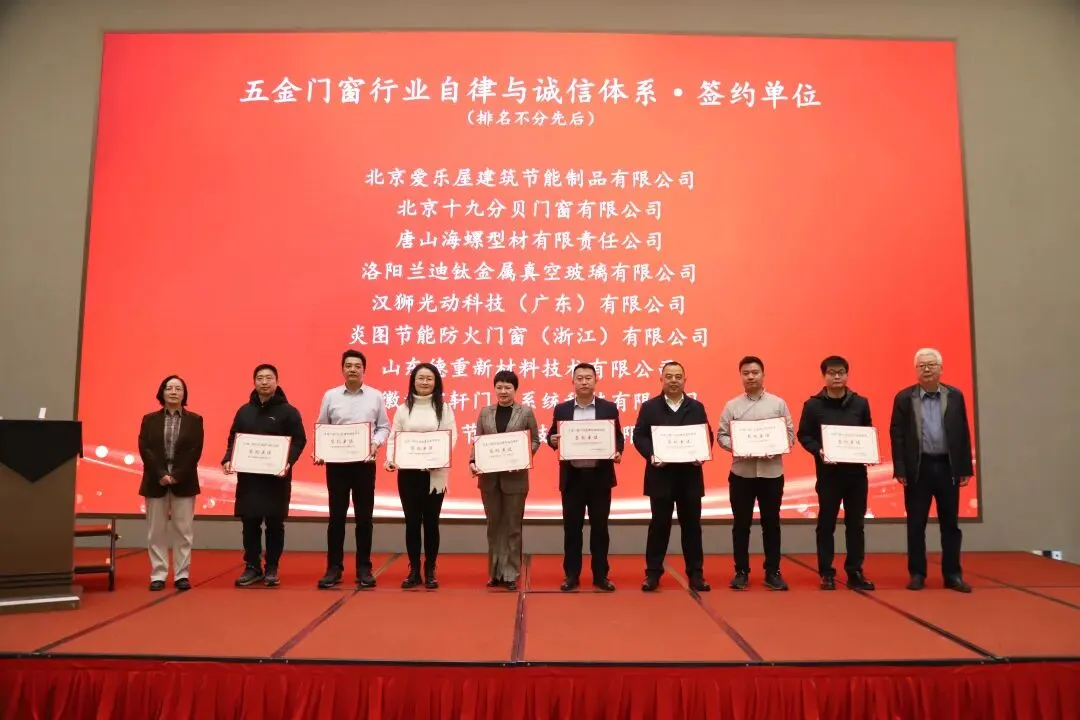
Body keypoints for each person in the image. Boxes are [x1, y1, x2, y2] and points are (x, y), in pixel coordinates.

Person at [889, 348, 974, 593]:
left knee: (951, 525)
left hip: (947, 467)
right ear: (916, 370)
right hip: (918, 469)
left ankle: (953, 574)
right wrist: (900, 468)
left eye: (931, 365)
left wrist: (964, 467)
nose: (927, 369)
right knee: (916, 525)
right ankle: (917, 573)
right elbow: (897, 435)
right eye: (922, 366)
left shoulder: (954, 396)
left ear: (941, 368)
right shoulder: (904, 398)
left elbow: (962, 432)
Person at [222, 364, 307, 587]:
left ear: (277, 382)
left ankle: (271, 567)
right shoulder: (244, 411)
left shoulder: (288, 411)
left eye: (269, 378)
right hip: (249, 479)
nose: (264, 382)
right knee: (249, 522)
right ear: (254, 382)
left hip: (276, 478)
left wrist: (288, 461)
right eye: (260, 378)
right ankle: (252, 566)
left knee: (274, 523)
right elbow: (234, 438)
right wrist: (229, 458)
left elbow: (299, 440)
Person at [632, 361, 713, 592]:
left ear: (685, 380)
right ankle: (652, 574)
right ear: (662, 379)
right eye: (669, 376)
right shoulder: (650, 407)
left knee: (692, 527)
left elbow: (706, 435)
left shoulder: (696, 407)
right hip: (661, 476)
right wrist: (652, 454)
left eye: (678, 376)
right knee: (659, 526)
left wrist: (702, 453)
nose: (674, 380)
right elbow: (639, 436)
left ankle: (696, 574)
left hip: (689, 477)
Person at [796, 356, 876, 591]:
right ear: (824, 376)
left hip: (856, 475)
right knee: (826, 524)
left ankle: (855, 571)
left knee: (856, 524)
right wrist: (818, 450)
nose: (837, 376)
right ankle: (826, 572)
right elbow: (804, 435)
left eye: (841, 372)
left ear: (847, 374)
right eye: (831, 373)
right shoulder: (813, 405)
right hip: (828, 475)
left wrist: (869, 451)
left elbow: (867, 431)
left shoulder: (860, 403)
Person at [717, 355, 795, 591]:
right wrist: (738, 447)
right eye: (746, 373)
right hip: (742, 474)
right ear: (741, 376)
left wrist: (777, 447)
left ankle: (773, 571)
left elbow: (790, 435)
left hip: (771, 474)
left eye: (755, 372)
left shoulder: (778, 404)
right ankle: (741, 571)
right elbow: (721, 436)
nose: (750, 377)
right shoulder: (732, 406)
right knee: (741, 525)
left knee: (771, 524)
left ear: (763, 375)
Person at [314, 350, 391, 590]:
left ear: (364, 370)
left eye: (357, 366)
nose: (352, 369)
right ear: (342, 369)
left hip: (364, 465)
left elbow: (384, 427)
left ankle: (364, 568)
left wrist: (375, 443)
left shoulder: (375, 396)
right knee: (336, 518)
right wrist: (321, 450)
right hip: (337, 465)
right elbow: (322, 427)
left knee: (364, 519)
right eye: (348, 365)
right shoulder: (331, 395)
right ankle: (333, 568)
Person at [548, 363, 623, 592]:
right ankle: (571, 575)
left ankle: (601, 575)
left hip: (600, 479)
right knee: (572, 529)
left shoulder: (608, 408)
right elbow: (552, 435)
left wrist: (618, 450)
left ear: (595, 380)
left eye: (588, 378)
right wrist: (552, 441)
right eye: (579, 378)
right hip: (573, 479)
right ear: (573, 381)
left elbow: (618, 437)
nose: (584, 382)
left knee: (600, 529)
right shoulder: (562, 409)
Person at [385, 363, 458, 589]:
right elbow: (393, 437)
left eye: (429, 378)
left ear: (436, 382)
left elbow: (451, 437)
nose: (424, 382)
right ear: (413, 381)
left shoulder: (444, 409)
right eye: (420, 378)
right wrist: (390, 459)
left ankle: (430, 569)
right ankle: (414, 569)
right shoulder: (403, 409)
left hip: (434, 474)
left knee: (432, 523)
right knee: (412, 523)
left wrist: (438, 458)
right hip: (408, 474)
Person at [469, 370, 540, 591]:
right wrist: (473, 461)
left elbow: (535, 440)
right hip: (489, 480)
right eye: (499, 387)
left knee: (512, 527)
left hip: (515, 479)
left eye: (508, 387)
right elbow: (478, 441)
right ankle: (495, 572)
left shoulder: (525, 412)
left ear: (515, 389)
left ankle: (511, 573)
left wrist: (523, 457)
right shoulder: (485, 412)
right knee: (494, 527)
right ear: (494, 388)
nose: (503, 391)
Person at [137, 375, 204, 592]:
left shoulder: (195, 420)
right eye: (169, 388)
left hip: (184, 480)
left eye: (178, 388)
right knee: (156, 531)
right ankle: (158, 574)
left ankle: (181, 575)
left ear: (184, 394)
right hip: (155, 479)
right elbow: (144, 448)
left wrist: (176, 475)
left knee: (183, 531)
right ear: (162, 392)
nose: (173, 392)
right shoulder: (149, 419)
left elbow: (195, 450)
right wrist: (160, 473)